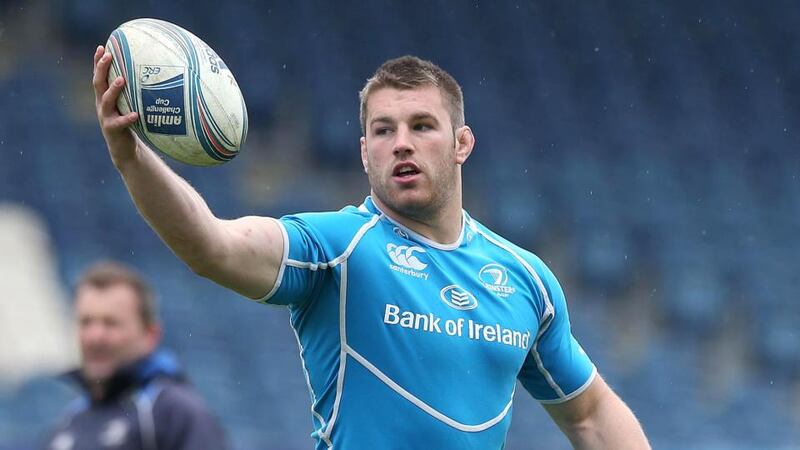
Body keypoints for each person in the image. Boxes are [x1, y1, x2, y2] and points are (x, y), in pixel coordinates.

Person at [92, 45, 651, 449]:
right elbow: (210, 244)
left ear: (462, 143)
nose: (401, 142)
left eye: (422, 125)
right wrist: (129, 156)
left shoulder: (525, 278)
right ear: (364, 152)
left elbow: (591, 413)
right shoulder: (337, 246)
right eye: (383, 131)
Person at [42, 261, 229, 450]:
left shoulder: (174, 412)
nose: (95, 337)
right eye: (86, 322)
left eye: (111, 323)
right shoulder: (69, 421)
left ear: (150, 335)